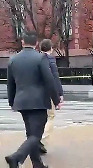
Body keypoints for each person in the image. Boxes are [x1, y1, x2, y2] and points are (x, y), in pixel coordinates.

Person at [6, 32, 61, 168]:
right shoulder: (40, 58)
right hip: (38, 102)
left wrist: (12, 102)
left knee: (31, 133)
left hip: (21, 102)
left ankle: (37, 163)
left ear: (23, 42)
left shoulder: (13, 60)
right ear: (36, 43)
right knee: (36, 135)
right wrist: (56, 99)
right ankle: (17, 157)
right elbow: (49, 80)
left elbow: (10, 83)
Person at [39, 39, 64, 154]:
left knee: (41, 117)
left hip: (37, 93)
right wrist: (60, 94)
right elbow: (54, 77)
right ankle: (42, 140)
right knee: (51, 116)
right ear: (51, 49)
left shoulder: (37, 59)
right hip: (48, 93)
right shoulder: (50, 60)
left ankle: (37, 139)